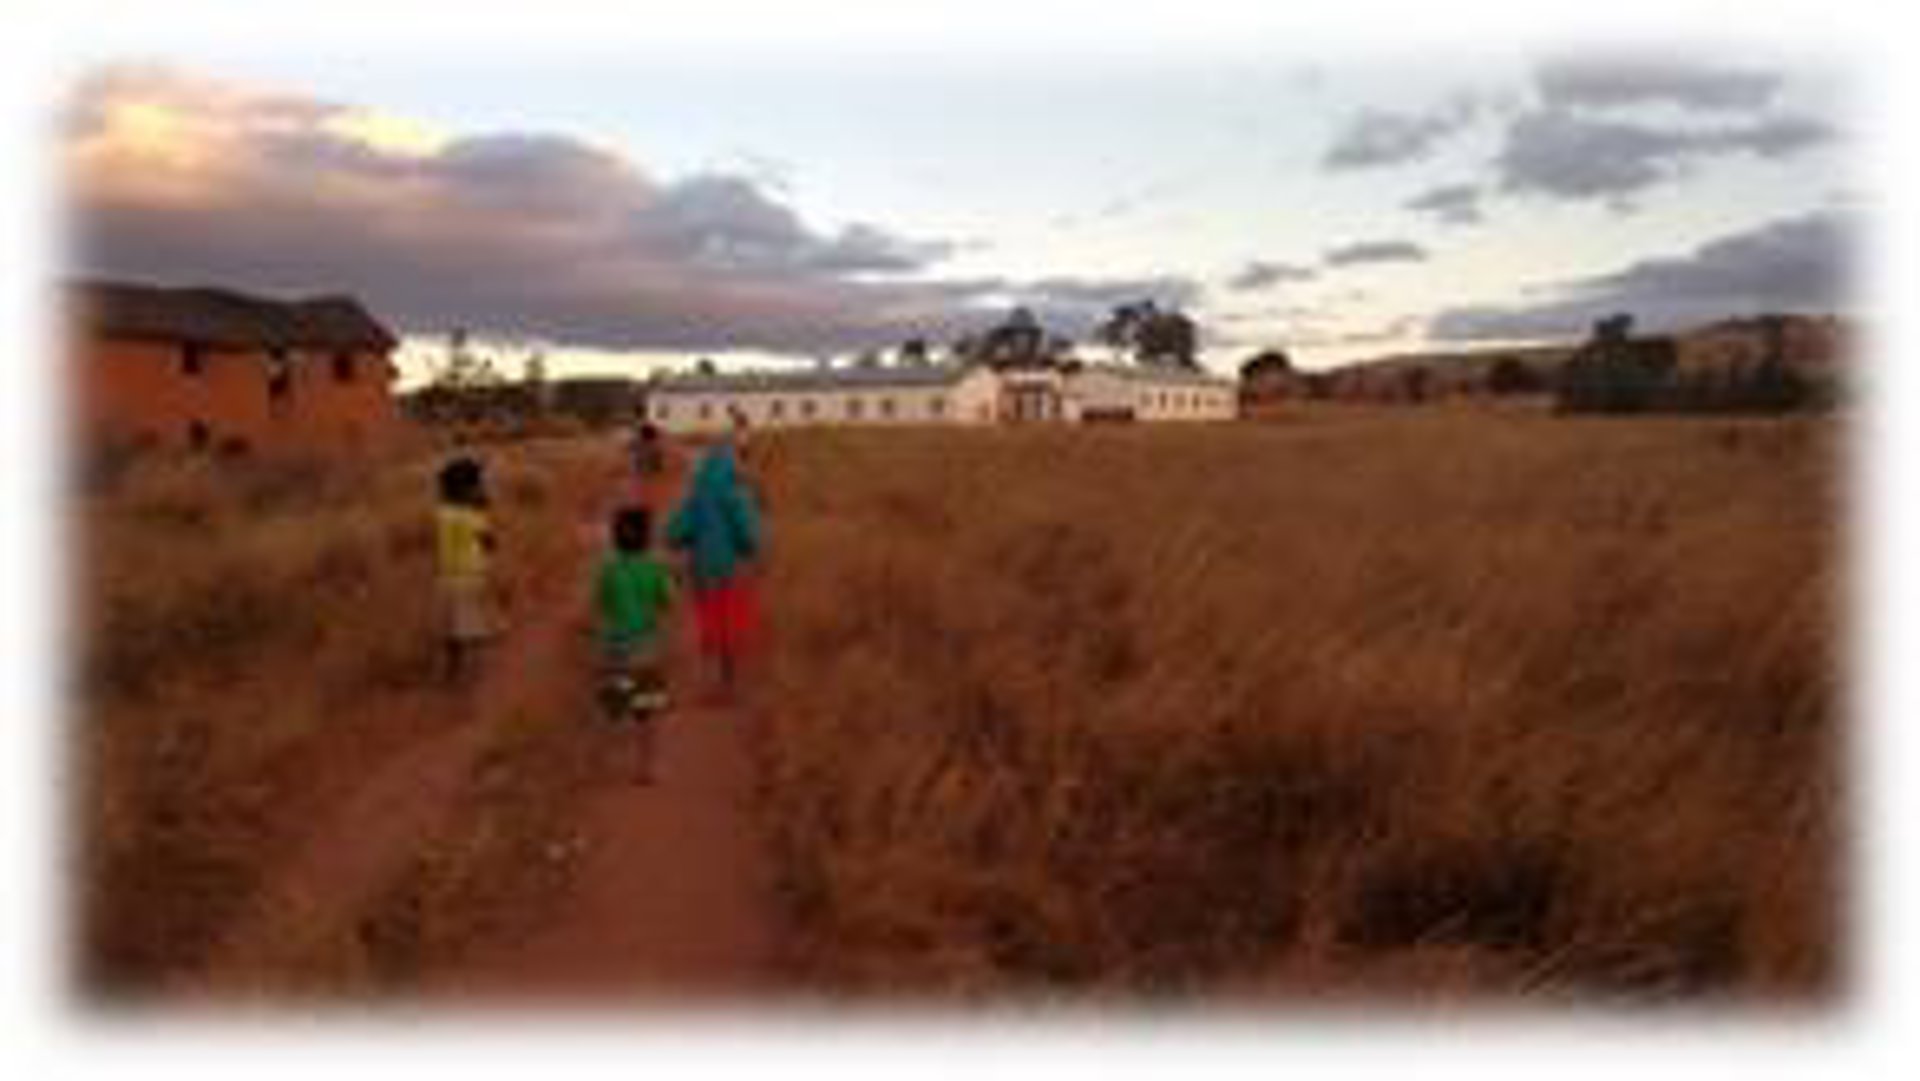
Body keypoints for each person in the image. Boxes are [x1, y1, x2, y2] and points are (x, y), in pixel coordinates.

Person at [667, 446, 762, 698]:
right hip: (733, 571)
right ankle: (729, 681)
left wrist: (686, 540)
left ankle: (711, 681)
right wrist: (751, 550)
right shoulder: (736, 496)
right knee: (731, 623)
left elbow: (673, 533)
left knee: (709, 623)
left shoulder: (695, 497)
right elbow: (749, 535)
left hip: (703, 573)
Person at [596, 505, 675, 784]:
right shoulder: (655, 568)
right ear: (647, 537)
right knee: (648, 711)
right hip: (646, 648)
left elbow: (603, 604)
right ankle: (646, 767)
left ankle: (608, 762)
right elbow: (668, 601)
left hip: (616, 648)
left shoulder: (609, 570)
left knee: (615, 707)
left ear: (615, 537)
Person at [436, 455, 499, 683]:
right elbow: (489, 543)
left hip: (448, 576)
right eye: (477, 483)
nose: (482, 487)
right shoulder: (470, 516)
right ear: (465, 489)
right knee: (469, 624)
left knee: (453, 626)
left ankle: (454, 669)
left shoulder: (443, 513)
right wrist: (484, 511)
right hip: (470, 575)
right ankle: (468, 673)